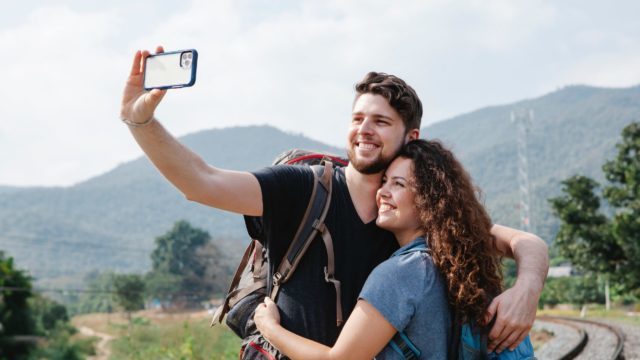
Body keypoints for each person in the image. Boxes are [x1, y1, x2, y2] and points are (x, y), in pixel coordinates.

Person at [119, 46, 549, 354]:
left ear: (409, 137)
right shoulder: (301, 189)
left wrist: (526, 292)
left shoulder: (412, 216)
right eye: (357, 118)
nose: (364, 129)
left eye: (380, 121)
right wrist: (140, 121)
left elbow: (526, 243)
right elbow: (201, 181)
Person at [254, 139, 524, 359]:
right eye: (384, 182)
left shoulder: (401, 273)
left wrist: (270, 328)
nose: (382, 192)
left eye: (399, 184)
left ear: (430, 200)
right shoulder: (461, 264)